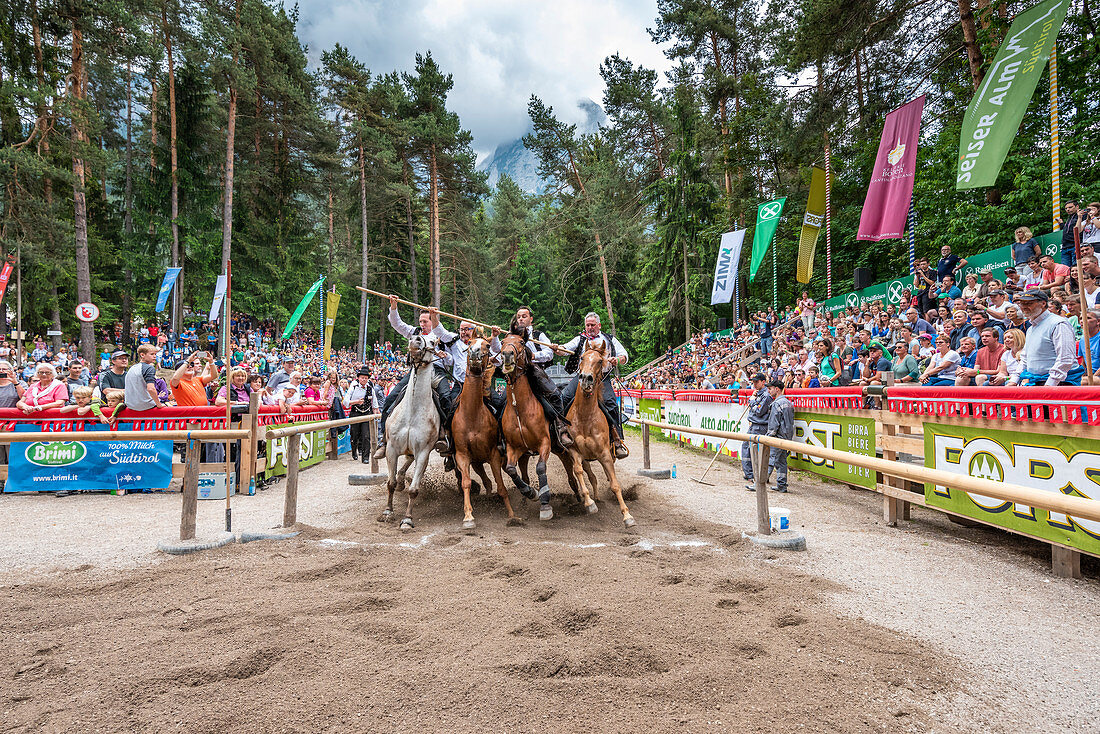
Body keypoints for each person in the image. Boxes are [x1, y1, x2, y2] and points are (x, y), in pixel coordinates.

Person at [373, 295, 455, 460]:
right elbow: (397, 324)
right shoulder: (415, 332)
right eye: (421, 321)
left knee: (447, 398)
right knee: (391, 398)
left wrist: (443, 355)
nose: (422, 324)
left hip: (436, 372)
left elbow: (452, 360)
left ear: (433, 321)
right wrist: (394, 306)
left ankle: (446, 437)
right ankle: (384, 440)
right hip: (415, 372)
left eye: (426, 321)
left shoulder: (444, 336)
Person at [556, 312, 629, 459]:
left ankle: (617, 440)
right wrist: (556, 348)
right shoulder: (580, 339)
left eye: (592, 325)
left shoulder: (609, 339)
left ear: (599, 325)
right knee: (564, 397)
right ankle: (561, 432)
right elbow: (564, 349)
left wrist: (617, 359)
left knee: (611, 404)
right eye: (587, 325)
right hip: (582, 376)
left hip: (602, 378)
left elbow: (624, 356)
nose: (589, 328)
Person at [1015, 289, 1083, 386]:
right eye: (1021, 304)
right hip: (1039, 382)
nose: (1024, 307)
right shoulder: (1031, 329)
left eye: (1029, 303)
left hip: (1059, 384)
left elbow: (1065, 359)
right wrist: (1013, 381)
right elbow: (1025, 359)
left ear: (1043, 303)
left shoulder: (1058, 323)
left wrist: (1050, 385)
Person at [763, 380, 794, 493]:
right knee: (781, 462)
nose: (768, 391)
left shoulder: (776, 404)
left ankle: (759, 484)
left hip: (777, 437)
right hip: (787, 437)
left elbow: (773, 424)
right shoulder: (789, 403)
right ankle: (782, 485)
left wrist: (767, 437)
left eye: (770, 388)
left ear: (777, 389)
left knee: (769, 461)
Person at [742, 373, 772, 489]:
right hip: (754, 424)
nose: (754, 384)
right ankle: (749, 474)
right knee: (746, 447)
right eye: (753, 382)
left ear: (763, 382)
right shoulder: (758, 394)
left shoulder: (766, 395)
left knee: (757, 452)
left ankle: (759, 476)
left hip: (760, 426)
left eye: (756, 382)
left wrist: (752, 401)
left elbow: (759, 411)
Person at [343, 366, 374, 462]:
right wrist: (356, 402)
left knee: (366, 436)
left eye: (366, 378)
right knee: (354, 435)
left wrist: (376, 413)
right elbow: (345, 402)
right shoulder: (353, 388)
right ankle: (354, 451)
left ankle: (365, 457)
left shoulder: (370, 389)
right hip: (355, 413)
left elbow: (375, 403)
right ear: (358, 378)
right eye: (362, 377)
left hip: (366, 414)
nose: (364, 379)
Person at [126, 344, 166, 411]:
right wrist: (158, 404)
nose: (154, 356)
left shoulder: (132, 368)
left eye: (155, 354)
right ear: (142, 355)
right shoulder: (149, 368)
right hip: (145, 405)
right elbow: (151, 389)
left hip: (130, 405)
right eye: (152, 354)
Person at [1060, 200, 1080, 267]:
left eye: (1070, 207)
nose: (1068, 210)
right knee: (1065, 269)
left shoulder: (1082, 215)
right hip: (1065, 247)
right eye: (1066, 208)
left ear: (1077, 206)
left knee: (1076, 268)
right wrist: (1061, 224)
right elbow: (1067, 230)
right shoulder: (1069, 218)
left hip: (1075, 245)